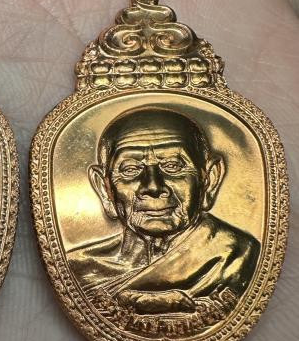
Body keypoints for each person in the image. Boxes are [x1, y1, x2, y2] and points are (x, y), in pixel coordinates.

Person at [69, 107, 259, 314]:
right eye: (130, 169)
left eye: (172, 166)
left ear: (209, 179)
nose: (153, 186)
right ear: (104, 188)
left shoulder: (239, 255)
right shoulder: (79, 268)